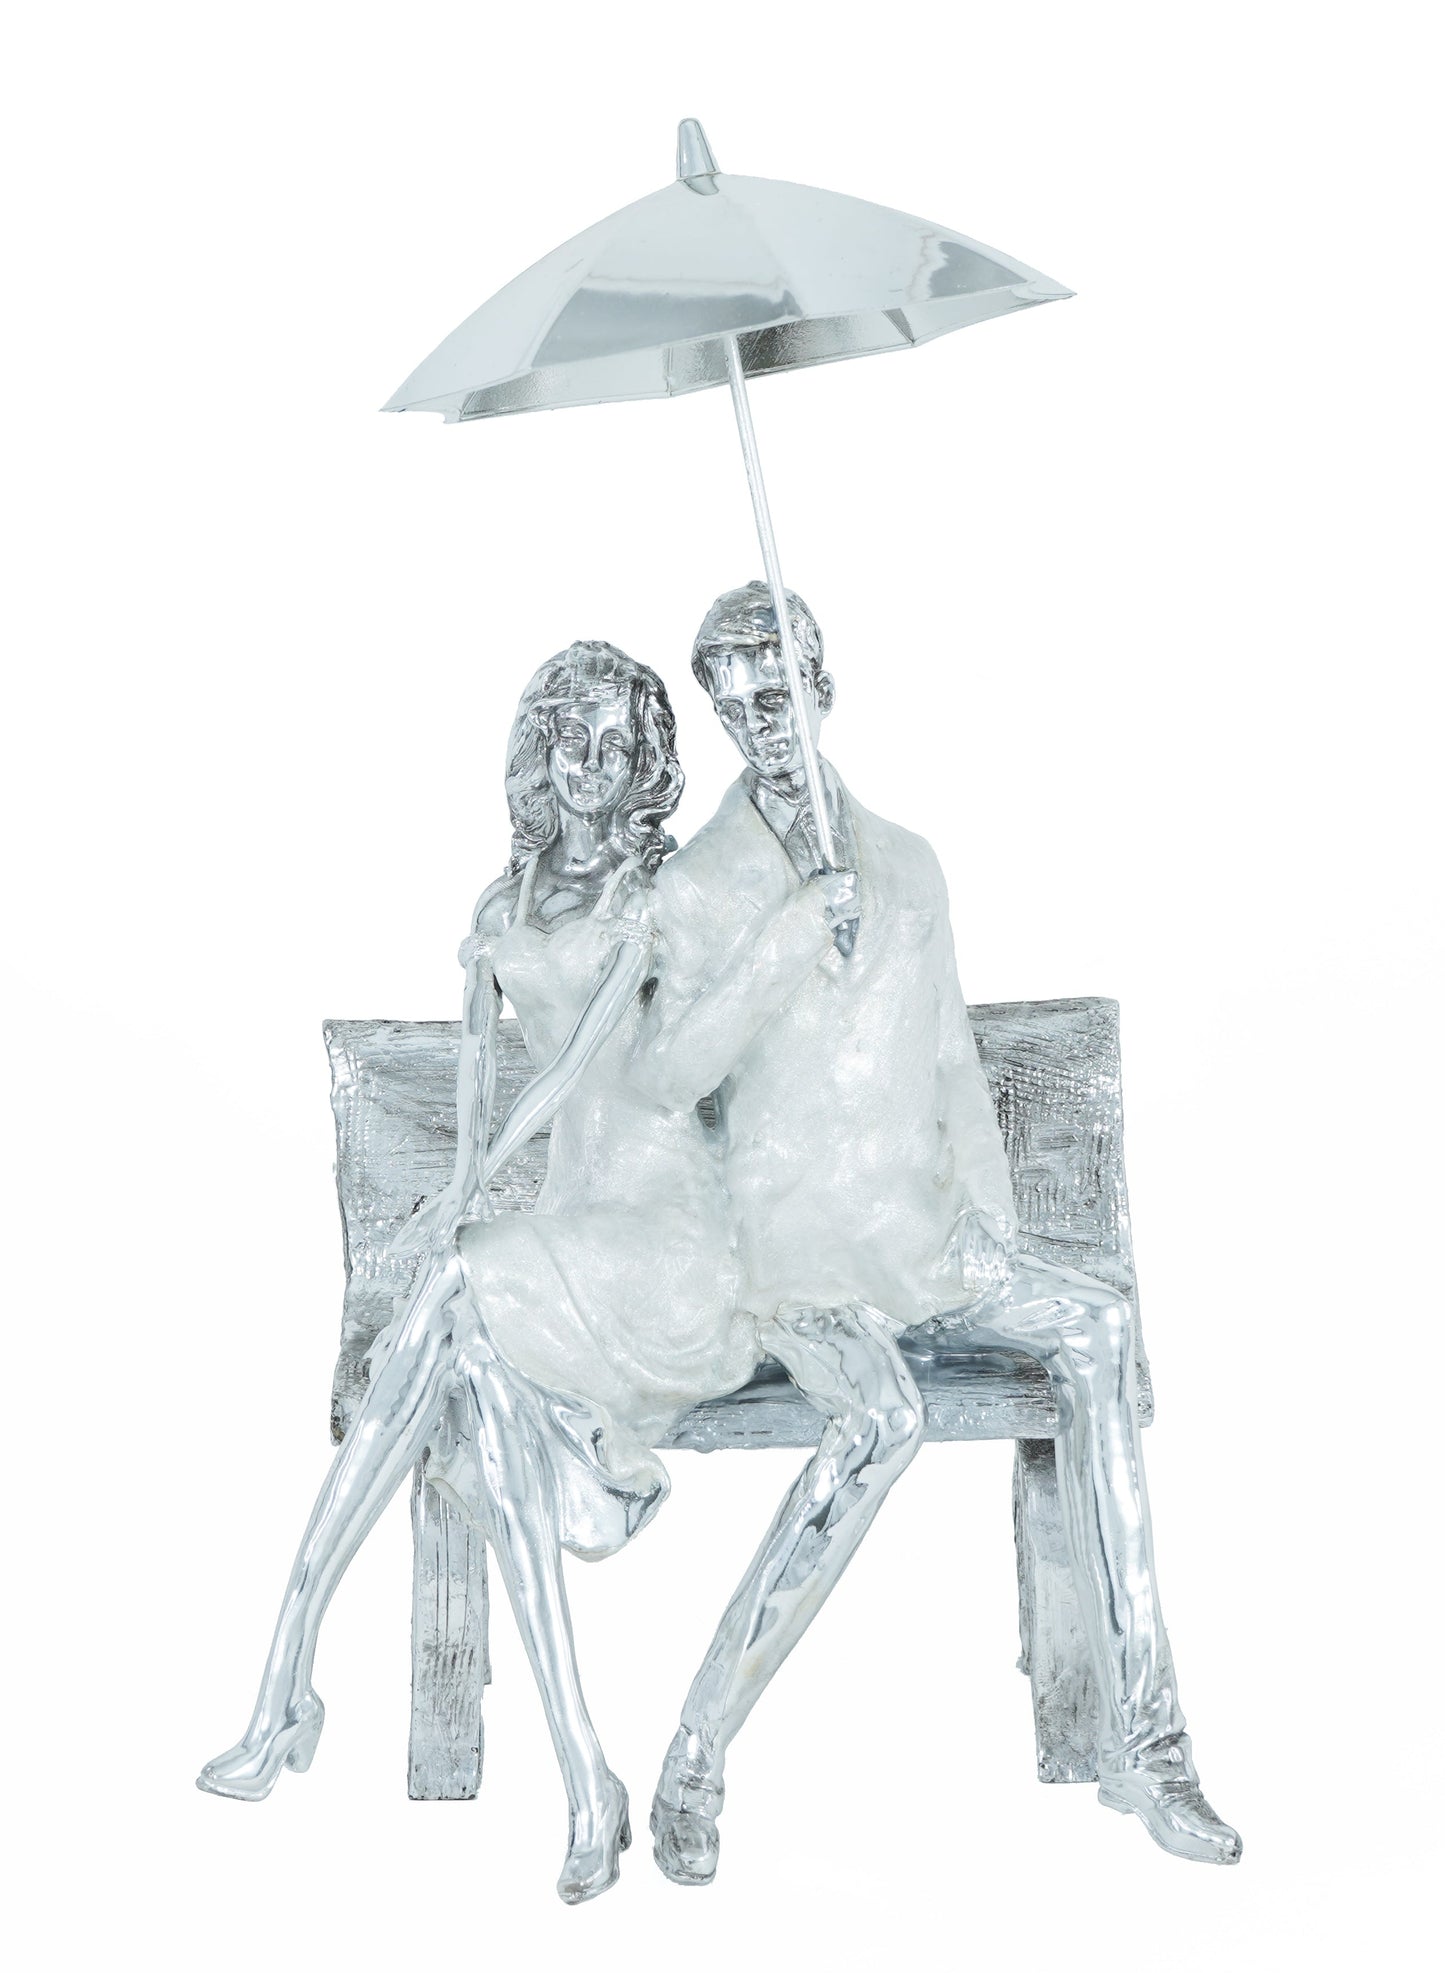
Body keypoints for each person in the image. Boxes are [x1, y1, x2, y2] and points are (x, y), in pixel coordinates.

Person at [637, 582, 1241, 1881]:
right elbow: (664, 1077)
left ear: (821, 687)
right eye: (731, 706)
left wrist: (993, 1220)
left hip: (920, 1240)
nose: (758, 722)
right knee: (883, 1418)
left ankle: (1148, 1746)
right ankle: (695, 1751)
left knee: (1097, 1331)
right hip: (788, 1266)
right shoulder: (695, 889)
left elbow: (955, 1062)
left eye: (775, 692)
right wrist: (782, 939)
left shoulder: (907, 862)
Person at [197, 642, 760, 1905]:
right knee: (484, 1409)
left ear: (644, 767)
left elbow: (565, 1080)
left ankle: (285, 1680)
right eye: (572, 739)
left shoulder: (656, 899)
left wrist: (455, 1218)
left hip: (672, 1251)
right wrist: (457, 1185)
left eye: (617, 747)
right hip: (565, 1240)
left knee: (449, 1295)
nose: (591, 767)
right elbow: (474, 1084)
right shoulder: (503, 906)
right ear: (537, 749)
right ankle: (584, 1778)